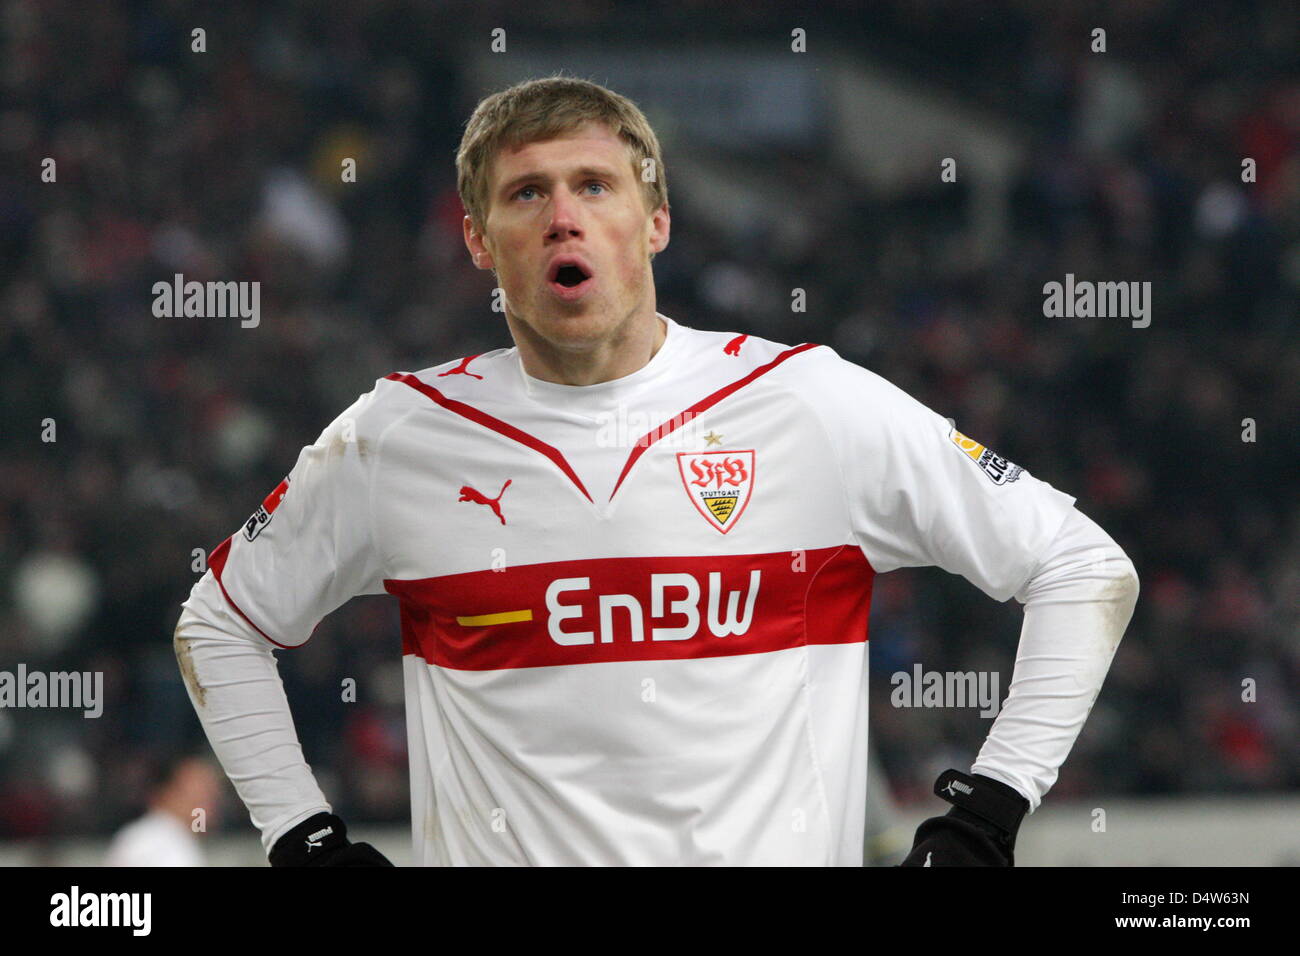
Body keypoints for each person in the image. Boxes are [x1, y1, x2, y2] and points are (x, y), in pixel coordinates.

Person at [173, 75, 1139, 866]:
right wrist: (304, 842)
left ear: (657, 222)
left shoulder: (809, 403)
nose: (564, 218)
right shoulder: (399, 436)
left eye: (595, 186)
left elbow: (1082, 566)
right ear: (478, 241)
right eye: (526, 194)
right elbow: (219, 623)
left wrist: (988, 817)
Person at [104, 754, 219, 866]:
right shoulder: (160, 841)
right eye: (200, 795)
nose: (208, 806)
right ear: (167, 793)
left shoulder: (141, 836)